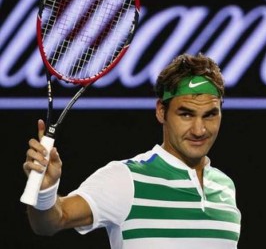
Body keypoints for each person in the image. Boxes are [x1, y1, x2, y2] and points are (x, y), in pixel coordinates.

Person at [22, 52, 241, 249]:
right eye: (186, 114)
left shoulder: (225, 187)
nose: (199, 129)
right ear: (161, 112)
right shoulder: (126, 179)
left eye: (210, 115)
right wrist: (45, 192)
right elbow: (52, 222)